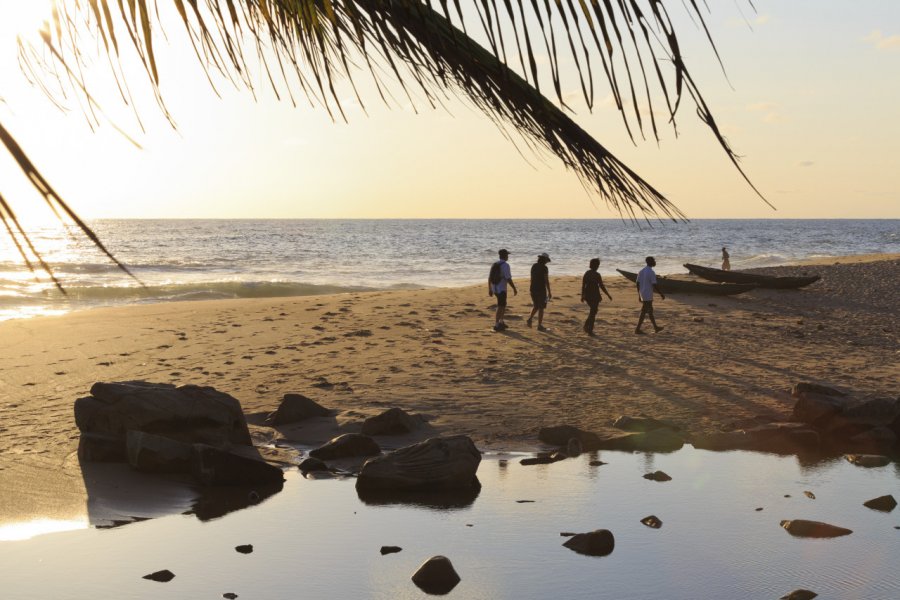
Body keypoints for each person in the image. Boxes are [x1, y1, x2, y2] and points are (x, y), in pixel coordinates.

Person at [581, 258, 612, 336]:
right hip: (594, 296)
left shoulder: (587, 273)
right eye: (597, 265)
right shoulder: (597, 275)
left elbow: (583, 286)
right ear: (595, 266)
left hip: (588, 295)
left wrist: (582, 295)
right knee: (593, 312)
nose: (598, 266)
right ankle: (589, 330)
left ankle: (586, 326)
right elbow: (601, 286)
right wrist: (608, 294)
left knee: (593, 311)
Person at [488, 248, 517, 331]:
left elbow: (489, 277)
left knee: (503, 304)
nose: (508, 256)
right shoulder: (506, 265)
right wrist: (514, 288)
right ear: (505, 256)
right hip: (501, 289)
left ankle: (501, 322)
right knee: (500, 306)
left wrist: (490, 289)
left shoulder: (494, 264)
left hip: (495, 288)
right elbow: (508, 278)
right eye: (507, 255)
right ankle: (497, 324)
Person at [635, 256, 665, 334]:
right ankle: (638, 329)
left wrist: (639, 294)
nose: (655, 262)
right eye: (653, 260)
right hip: (648, 294)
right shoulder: (651, 272)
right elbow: (654, 284)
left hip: (643, 294)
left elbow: (637, 283)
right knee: (645, 311)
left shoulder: (641, 271)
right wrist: (661, 293)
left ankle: (655, 327)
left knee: (648, 311)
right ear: (650, 262)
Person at [527, 253, 552, 331]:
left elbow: (531, 277)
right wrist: (549, 291)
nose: (547, 262)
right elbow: (546, 280)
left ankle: (530, 319)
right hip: (541, 289)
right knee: (541, 308)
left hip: (533, 288)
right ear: (545, 260)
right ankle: (539, 325)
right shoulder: (544, 268)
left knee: (536, 306)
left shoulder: (534, 266)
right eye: (546, 261)